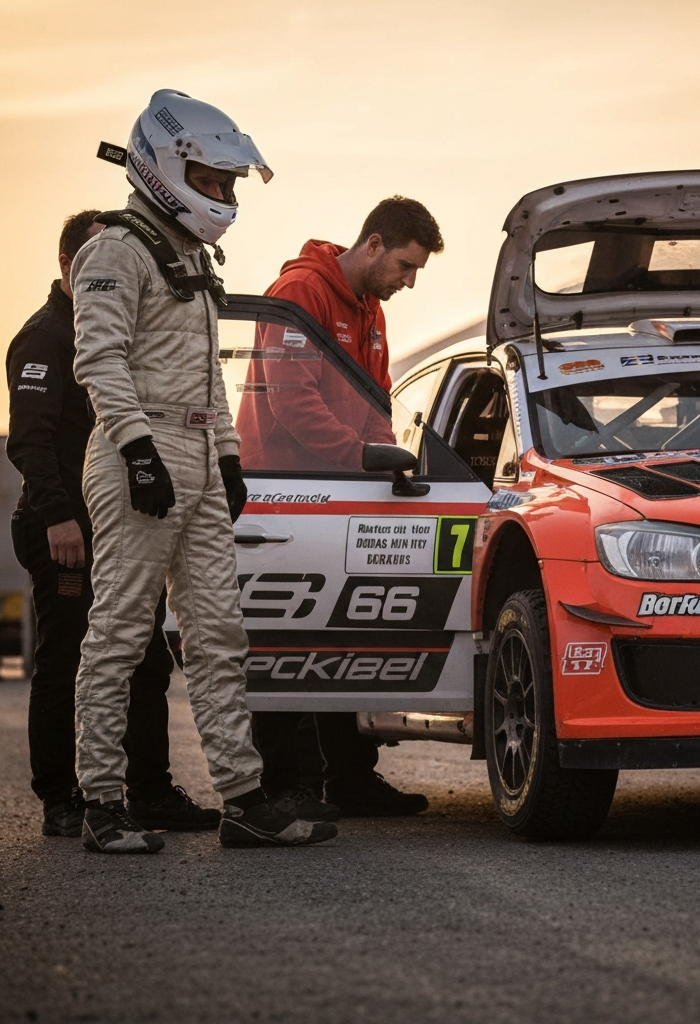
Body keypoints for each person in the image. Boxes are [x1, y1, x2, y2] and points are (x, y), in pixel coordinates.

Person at [70, 88, 335, 853]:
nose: (221, 195)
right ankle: (101, 804)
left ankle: (244, 799)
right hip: (138, 458)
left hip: (190, 455)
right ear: (166, 168)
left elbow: (206, 376)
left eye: (227, 183)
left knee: (219, 634)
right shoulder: (114, 250)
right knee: (120, 634)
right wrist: (136, 450)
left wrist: (226, 456)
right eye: (213, 180)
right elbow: (99, 359)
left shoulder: (187, 253)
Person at [6, 210, 218, 838]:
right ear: (71, 265)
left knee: (147, 657)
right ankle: (62, 797)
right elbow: (30, 444)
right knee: (68, 656)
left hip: (121, 522)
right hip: (63, 529)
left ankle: (149, 788)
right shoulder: (48, 336)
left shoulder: (124, 328)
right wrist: (60, 519)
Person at [239, 197, 443, 819]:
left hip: (341, 490)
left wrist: (391, 458)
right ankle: (287, 785)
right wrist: (363, 457)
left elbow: (374, 402)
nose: (408, 283)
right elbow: (292, 401)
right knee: (289, 641)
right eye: (405, 266)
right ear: (374, 244)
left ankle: (348, 778)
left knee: (340, 636)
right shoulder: (302, 291)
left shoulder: (370, 308)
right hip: (286, 492)